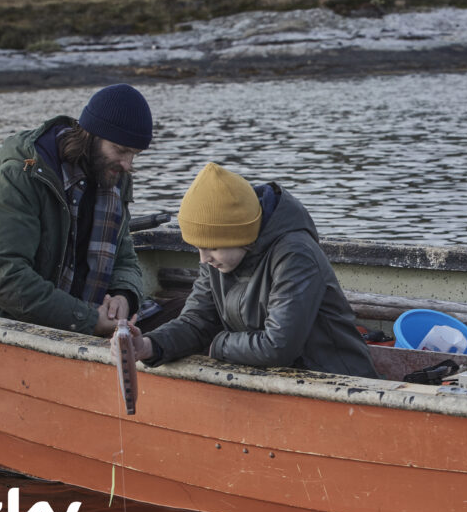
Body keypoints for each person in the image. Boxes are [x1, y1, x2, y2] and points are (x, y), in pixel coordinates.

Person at [117, 162, 380, 378]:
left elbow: (278, 347)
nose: (204, 258)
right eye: (197, 247)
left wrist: (217, 344)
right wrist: (149, 345)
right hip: (281, 382)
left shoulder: (294, 255)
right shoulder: (218, 258)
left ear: (241, 235)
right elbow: (196, 321)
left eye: (212, 247)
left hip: (334, 379)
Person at [0, 84, 152, 336]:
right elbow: (6, 279)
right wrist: (87, 320)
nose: (128, 165)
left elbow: (124, 257)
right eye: (120, 151)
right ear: (90, 136)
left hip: (71, 323)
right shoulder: (17, 180)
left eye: (134, 155)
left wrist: (123, 296)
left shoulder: (113, 179)